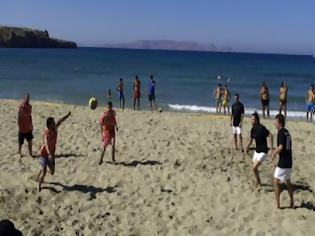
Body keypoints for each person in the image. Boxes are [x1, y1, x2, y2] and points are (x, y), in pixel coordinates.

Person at [37, 112, 71, 192]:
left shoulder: (55, 128)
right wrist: (49, 154)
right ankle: (39, 187)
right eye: (53, 123)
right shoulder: (46, 134)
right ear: (49, 125)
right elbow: (46, 144)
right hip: (44, 154)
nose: (55, 123)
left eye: (54, 122)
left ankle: (42, 169)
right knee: (43, 174)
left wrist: (67, 115)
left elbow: (61, 120)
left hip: (51, 154)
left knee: (52, 172)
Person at [272, 114, 293, 209]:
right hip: (289, 161)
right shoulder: (287, 132)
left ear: (279, 123)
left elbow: (281, 147)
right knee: (288, 182)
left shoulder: (280, 132)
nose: (274, 123)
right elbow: (287, 147)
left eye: (275, 122)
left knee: (275, 181)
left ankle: (277, 205)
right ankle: (292, 202)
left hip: (283, 162)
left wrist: (274, 153)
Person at [246, 112, 273, 186]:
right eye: (251, 119)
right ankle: (259, 181)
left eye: (253, 119)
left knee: (254, 168)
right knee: (255, 168)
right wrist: (247, 147)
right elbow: (251, 140)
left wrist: (271, 149)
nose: (251, 121)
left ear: (257, 120)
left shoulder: (262, 128)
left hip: (263, 151)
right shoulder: (252, 129)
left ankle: (258, 181)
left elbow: (270, 135)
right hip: (256, 151)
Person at [17, 93, 33, 160]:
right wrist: (19, 126)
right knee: (20, 143)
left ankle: (30, 153)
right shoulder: (21, 107)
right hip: (22, 128)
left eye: (29, 98)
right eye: (27, 98)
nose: (28, 99)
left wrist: (31, 124)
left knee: (30, 141)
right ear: (24, 98)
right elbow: (19, 117)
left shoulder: (30, 106)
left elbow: (30, 116)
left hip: (28, 128)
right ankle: (20, 153)